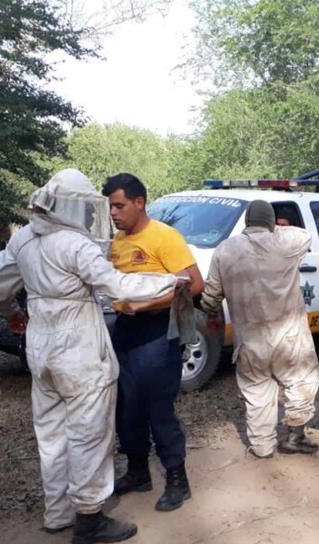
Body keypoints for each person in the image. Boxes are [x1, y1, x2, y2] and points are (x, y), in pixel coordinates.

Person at [0, 168, 181, 544]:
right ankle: (90, 520)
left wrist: (13, 314)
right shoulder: (75, 244)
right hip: (79, 349)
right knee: (90, 433)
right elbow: (119, 284)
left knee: (51, 433)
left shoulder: (23, 240)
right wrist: (169, 281)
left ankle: (57, 513)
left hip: (40, 346)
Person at [103, 173, 204, 512]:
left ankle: (177, 478)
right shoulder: (117, 241)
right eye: (110, 207)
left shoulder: (164, 236)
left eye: (119, 206)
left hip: (157, 332)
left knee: (157, 407)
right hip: (124, 330)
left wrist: (147, 304)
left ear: (139, 202)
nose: (114, 213)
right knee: (126, 406)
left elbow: (195, 284)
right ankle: (137, 471)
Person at [201, 200, 319, 458]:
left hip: (249, 339)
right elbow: (305, 234)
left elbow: (210, 297)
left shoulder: (225, 250)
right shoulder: (286, 243)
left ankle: (262, 447)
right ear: (271, 222)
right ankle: (295, 436)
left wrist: (209, 310)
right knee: (300, 380)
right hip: (290, 337)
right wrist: (274, 229)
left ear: (246, 222)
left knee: (257, 392)